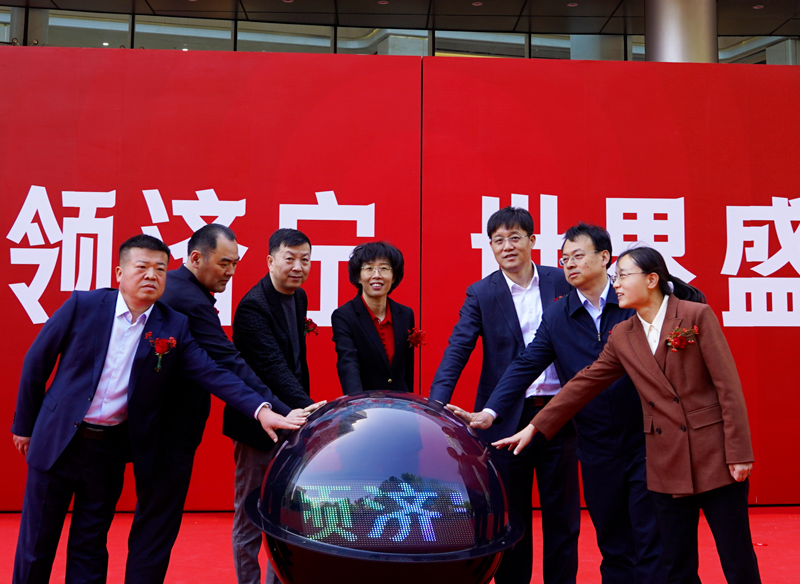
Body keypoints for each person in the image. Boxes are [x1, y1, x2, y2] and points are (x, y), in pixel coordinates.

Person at [10, 234, 304, 584]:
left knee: (89, 545)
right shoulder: (83, 306)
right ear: (120, 272)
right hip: (58, 441)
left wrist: (262, 410)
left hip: (108, 449)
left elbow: (214, 373)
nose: (152, 275)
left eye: (160, 269)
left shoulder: (171, 325)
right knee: (36, 545)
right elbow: (36, 363)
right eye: (143, 267)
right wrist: (24, 426)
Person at [494, 246, 761, 584]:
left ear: (651, 280)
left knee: (737, 558)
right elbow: (584, 384)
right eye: (615, 277)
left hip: (715, 456)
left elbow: (728, 388)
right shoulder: (623, 335)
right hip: (666, 463)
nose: (616, 284)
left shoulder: (695, 315)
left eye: (622, 276)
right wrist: (535, 427)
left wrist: (739, 453)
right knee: (676, 565)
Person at [448, 224, 663, 584]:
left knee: (650, 536)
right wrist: (489, 411)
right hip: (591, 438)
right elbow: (526, 363)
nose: (569, 265)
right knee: (612, 539)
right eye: (565, 259)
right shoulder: (558, 315)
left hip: (643, 435)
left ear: (605, 258)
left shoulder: (632, 304)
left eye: (578, 256)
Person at [126, 225, 322, 583]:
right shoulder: (203, 301)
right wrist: (279, 409)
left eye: (234, 263)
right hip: (178, 428)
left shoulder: (190, 292)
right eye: (224, 263)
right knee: (170, 522)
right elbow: (233, 364)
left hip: (244, 419)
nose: (231, 272)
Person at [428, 207, 578, 584]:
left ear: (532, 240)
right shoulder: (482, 292)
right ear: (491, 247)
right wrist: (435, 406)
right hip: (506, 419)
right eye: (498, 240)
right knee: (511, 519)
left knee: (563, 518)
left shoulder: (561, 282)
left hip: (559, 415)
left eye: (515, 237)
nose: (507, 246)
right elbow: (458, 349)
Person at [223, 228, 317, 584]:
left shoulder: (299, 296)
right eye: (289, 259)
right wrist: (312, 409)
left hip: (292, 421)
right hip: (257, 425)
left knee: (284, 514)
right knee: (250, 515)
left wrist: (304, 412)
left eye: (305, 260)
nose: (298, 267)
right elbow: (273, 367)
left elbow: (295, 364)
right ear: (270, 260)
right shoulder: (253, 307)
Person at [331, 241, 415, 395]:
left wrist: (409, 402)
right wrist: (358, 403)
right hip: (365, 405)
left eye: (384, 268)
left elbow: (407, 371)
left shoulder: (405, 314)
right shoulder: (344, 316)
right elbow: (348, 364)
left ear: (394, 276)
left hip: (399, 404)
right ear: (358, 276)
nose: (377, 275)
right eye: (369, 268)